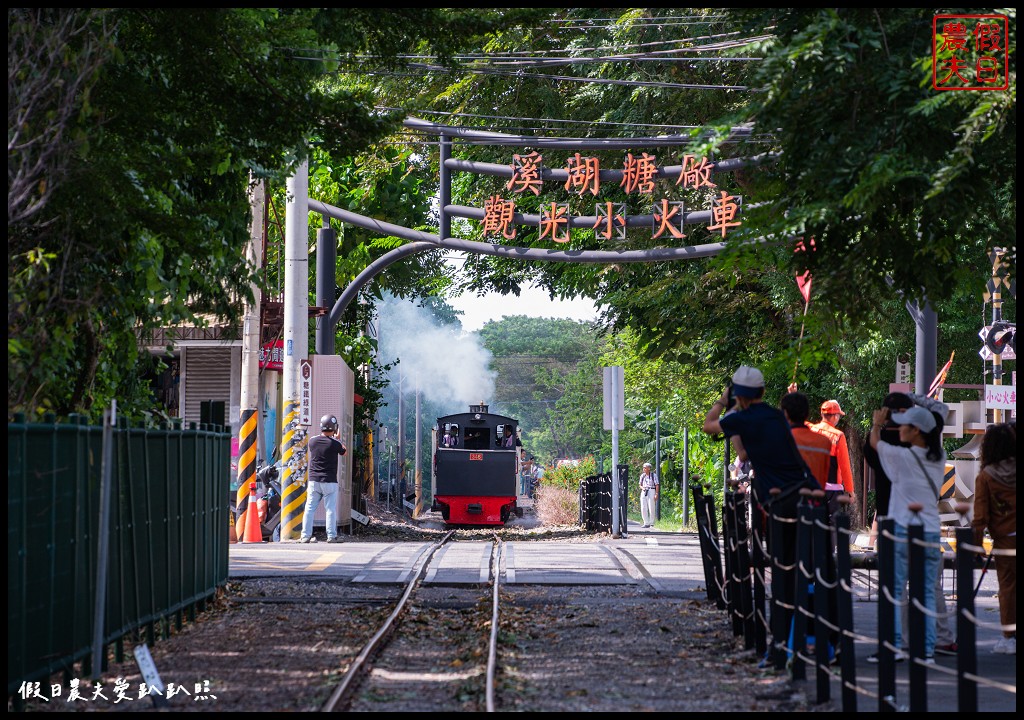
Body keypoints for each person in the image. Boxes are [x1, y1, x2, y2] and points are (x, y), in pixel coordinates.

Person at [703, 365, 816, 663]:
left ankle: (783, 649)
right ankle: (808, 641)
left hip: (780, 502)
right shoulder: (776, 416)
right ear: (763, 392)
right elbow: (744, 454)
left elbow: (709, 424)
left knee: (782, 575)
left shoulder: (740, 418)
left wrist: (723, 401)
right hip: (806, 494)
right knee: (804, 571)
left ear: (737, 394)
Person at [867, 403, 945, 663]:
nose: (900, 428)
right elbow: (940, 415)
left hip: (901, 531)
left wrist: (878, 423)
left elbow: (876, 442)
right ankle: (926, 649)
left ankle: (896, 645)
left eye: (905, 426)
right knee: (926, 593)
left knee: (895, 589)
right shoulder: (938, 456)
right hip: (931, 531)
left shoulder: (902, 457)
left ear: (918, 431)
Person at [971, 422, 1016, 656]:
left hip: (1006, 539)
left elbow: (980, 517)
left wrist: (976, 546)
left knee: (1008, 587)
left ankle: (1009, 637)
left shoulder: (987, 476)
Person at [863, 392, 915, 549]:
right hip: (913, 511)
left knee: (888, 561)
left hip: (886, 509)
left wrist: (877, 425)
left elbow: (871, 452)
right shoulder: (916, 440)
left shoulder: (877, 440)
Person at [300, 413, 347, 544]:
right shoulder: (335, 444)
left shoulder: (312, 441)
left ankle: (305, 536)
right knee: (330, 509)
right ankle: (331, 536)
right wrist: (338, 439)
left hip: (314, 481)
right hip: (330, 482)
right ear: (334, 428)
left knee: (309, 508)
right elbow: (344, 451)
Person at [780, 392, 832, 488]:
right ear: (807, 413)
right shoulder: (824, 442)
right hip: (815, 499)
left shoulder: (779, 439)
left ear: (785, 414)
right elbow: (823, 477)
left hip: (787, 499)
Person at [810, 400, 855, 501]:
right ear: (835, 416)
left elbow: (795, 420)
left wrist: (792, 396)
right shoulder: (838, 436)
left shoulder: (810, 430)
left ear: (822, 414)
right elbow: (845, 466)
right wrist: (850, 490)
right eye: (839, 415)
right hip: (831, 492)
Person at [638, 462, 659, 528]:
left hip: (651, 490)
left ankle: (651, 523)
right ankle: (646, 522)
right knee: (643, 507)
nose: (644, 469)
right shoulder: (642, 476)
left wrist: (656, 493)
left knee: (651, 506)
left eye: (645, 468)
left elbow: (657, 485)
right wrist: (643, 488)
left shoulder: (653, 475)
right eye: (643, 467)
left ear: (649, 468)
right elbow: (640, 485)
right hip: (644, 491)